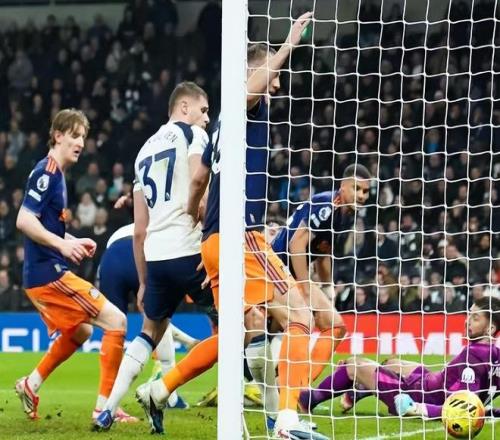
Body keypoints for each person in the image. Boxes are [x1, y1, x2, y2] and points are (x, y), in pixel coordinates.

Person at [135, 14, 330, 440]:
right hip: (242, 236)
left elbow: (199, 182)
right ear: (255, 71)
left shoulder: (222, 124)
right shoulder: (246, 104)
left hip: (216, 240)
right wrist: (288, 44)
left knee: (235, 336)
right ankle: (288, 420)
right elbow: (252, 86)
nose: (277, 83)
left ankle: (159, 390)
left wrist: (197, 219)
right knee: (301, 316)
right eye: (272, 75)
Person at [94, 81, 212, 432]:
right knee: (240, 324)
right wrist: (202, 219)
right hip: (190, 250)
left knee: (149, 331)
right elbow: (198, 184)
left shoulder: (142, 152)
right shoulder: (194, 135)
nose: (207, 118)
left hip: (156, 257)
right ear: (185, 107)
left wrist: (144, 282)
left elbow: (139, 229)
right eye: (203, 110)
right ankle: (161, 391)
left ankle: (107, 410)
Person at [15, 109, 127, 421]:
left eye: (83, 137)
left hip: (43, 274)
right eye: (75, 135)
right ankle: (105, 409)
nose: (80, 143)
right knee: (117, 321)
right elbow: (24, 219)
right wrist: (63, 246)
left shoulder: (57, 175)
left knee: (82, 331)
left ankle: (30, 384)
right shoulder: (47, 172)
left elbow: (45, 225)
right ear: (58, 136)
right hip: (48, 274)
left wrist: (73, 239)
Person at [299, 297, 500, 419]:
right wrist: (492, 411)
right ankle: (361, 390)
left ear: (490, 329)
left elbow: (460, 408)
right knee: (392, 363)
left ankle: (308, 399)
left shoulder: (474, 356)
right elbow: (480, 400)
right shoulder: (494, 355)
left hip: (418, 395)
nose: (467, 321)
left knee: (353, 365)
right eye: (469, 314)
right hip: (429, 381)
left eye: (475, 318)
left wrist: (416, 408)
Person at [272, 163, 371, 382]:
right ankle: (283, 384)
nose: (361, 196)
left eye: (365, 191)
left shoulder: (347, 214)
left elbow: (324, 251)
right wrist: (306, 287)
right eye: (356, 188)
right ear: (343, 187)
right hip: (277, 268)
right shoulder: (328, 206)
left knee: (335, 326)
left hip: (292, 273)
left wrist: (328, 288)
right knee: (299, 323)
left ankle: (296, 384)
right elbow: (296, 244)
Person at [97, 222, 204, 410]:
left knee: (114, 327)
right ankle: (171, 397)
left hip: (109, 260)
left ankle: (103, 405)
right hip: (141, 254)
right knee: (157, 319)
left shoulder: (139, 224)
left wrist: (188, 341)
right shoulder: (174, 229)